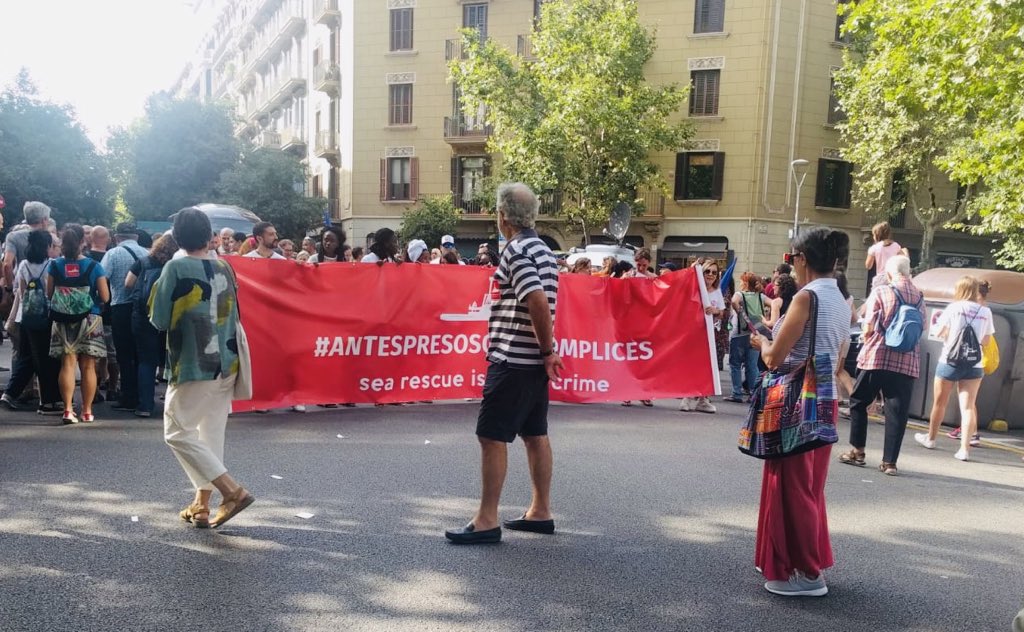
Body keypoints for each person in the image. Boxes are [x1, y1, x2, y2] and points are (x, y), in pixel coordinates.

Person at [445, 183, 562, 545]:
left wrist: (547, 351)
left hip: (513, 358)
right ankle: (540, 510)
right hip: (531, 362)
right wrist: (545, 353)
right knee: (534, 434)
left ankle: (486, 519)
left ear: (502, 216)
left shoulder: (516, 250)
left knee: (491, 435)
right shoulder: (543, 249)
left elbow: (536, 300)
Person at [750, 227, 850, 597]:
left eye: (792, 259)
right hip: (824, 394)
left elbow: (776, 357)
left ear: (803, 259)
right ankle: (808, 564)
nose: (791, 266)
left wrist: (763, 342)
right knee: (810, 488)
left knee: (791, 486)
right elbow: (838, 356)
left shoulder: (806, 297)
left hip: (795, 397)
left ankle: (808, 573)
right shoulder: (840, 298)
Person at [150, 207, 254, 530]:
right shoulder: (225, 267)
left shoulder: (175, 268)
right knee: (210, 434)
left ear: (177, 237)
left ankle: (232, 491)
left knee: (176, 431)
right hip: (228, 360)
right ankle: (202, 505)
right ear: (209, 236)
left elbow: (159, 319)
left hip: (194, 362)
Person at [840, 255, 925, 476]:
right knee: (897, 412)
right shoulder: (919, 297)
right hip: (907, 361)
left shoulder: (882, 291)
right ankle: (890, 463)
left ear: (888, 273)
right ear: (908, 272)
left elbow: (867, 328)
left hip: (876, 357)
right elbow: (921, 327)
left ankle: (857, 451)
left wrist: (868, 337)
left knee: (859, 401)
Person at [914, 275, 994, 461]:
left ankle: (931, 438)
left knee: (939, 403)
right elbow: (987, 340)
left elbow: (939, 332)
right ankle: (964, 450)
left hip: (950, 360)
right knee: (968, 407)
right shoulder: (985, 312)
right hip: (974, 364)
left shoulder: (954, 308)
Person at [48, 224, 110, 424]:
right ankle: (87, 411)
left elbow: (49, 294)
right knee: (89, 366)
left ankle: (67, 410)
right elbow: (105, 296)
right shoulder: (94, 266)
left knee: (67, 364)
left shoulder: (55, 265)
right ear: (83, 242)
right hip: (90, 318)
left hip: (63, 318)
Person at [0, 230, 62, 414]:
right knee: (44, 359)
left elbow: (19, 289)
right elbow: (53, 291)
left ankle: (10, 393)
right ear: (47, 246)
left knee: (26, 357)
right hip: (45, 317)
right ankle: (49, 401)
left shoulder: (24, 265)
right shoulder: (52, 265)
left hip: (25, 316)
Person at [124, 233, 178, 418]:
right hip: (172, 316)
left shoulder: (144, 261)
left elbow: (128, 283)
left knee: (146, 362)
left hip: (144, 316)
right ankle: (175, 406)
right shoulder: (177, 264)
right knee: (174, 360)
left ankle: (145, 406)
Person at [100, 223, 148, 412]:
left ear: (116, 237)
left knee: (124, 354)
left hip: (120, 307)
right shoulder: (146, 253)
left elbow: (102, 278)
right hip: (143, 308)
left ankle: (128, 395)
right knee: (140, 353)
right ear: (136, 237)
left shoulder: (112, 254)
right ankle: (142, 394)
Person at [947, 280, 992, 447]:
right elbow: (986, 340)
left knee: (964, 401)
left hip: (959, 356)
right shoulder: (985, 310)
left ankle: (970, 432)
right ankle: (970, 433)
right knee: (969, 401)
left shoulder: (964, 307)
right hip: (976, 359)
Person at [680, 258, 722, 412]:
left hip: (709, 336)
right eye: (707, 271)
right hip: (694, 334)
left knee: (708, 368)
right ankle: (686, 397)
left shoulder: (717, 291)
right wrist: (693, 269)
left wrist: (715, 311)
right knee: (692, 366)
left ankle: (703, 399)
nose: (711, 275)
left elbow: (722, 312)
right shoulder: (695, 289)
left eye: (714, 272)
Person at [85, 225, 117, 403]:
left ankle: (95, 390)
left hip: (90, 311)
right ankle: (113, 388)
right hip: (111, 310)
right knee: (112, 353)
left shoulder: (86, 259)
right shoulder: (113, 256)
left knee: (93, 354)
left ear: (90, 239)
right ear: (108, 239)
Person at [727, 272, 767, 403]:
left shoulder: (739, 294)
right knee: (752, 365)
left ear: (745, 283)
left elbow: (733, 302)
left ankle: (737, 393)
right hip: (755, 333)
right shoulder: (761, 296)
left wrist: (740, 312)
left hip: (739, 333)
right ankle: (753, 393)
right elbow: (774, 303)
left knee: (735, 364)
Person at [865, 221, 903, 291]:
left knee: (877, 298)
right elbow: (903, 259)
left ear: (877, 235)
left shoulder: (874, 248)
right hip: (893, 278)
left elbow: (868, 266)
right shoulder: (896, 245)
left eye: (873, 235)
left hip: (881, 278)